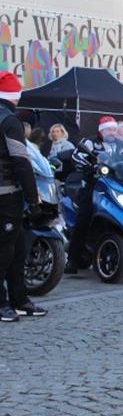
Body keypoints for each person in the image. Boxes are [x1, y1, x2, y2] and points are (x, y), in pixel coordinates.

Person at [0, 71, 47, 321]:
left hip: (6, 193)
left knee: (16, 248)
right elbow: (21, 161)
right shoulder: (10, 121)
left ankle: (19, 300)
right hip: (7, 194)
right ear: (15, 96)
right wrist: (33, 198)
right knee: (6, 251)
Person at [65, 116, 123, 273]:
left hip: (117, 187)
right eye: (108, 129)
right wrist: (90, 166)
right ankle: (73, 260)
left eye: (114, 129)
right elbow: (76, 156)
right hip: (93, 186)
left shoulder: (120, 144)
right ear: (101, 131)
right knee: (84, 217)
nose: (112, 132)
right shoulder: (90, 142)